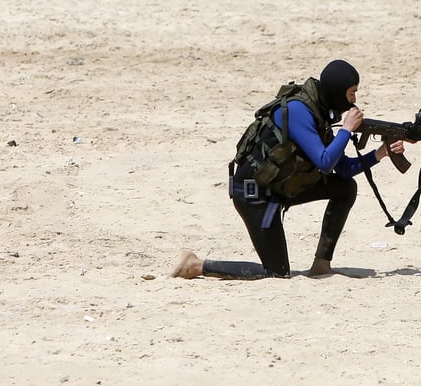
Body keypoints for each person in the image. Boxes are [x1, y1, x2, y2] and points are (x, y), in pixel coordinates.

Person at [170, 60, 405, 280]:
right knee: (276, 273)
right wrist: (345, 130)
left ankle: (321, 265)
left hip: (282, 186)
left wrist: (380, 153)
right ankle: (196, 265)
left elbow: (341, 169)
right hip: (255, 194)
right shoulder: (298, 111)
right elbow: (324, 162)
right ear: (337, 91)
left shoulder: (321, 112)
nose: (354, 99)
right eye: (351, 92)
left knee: (345, 188)